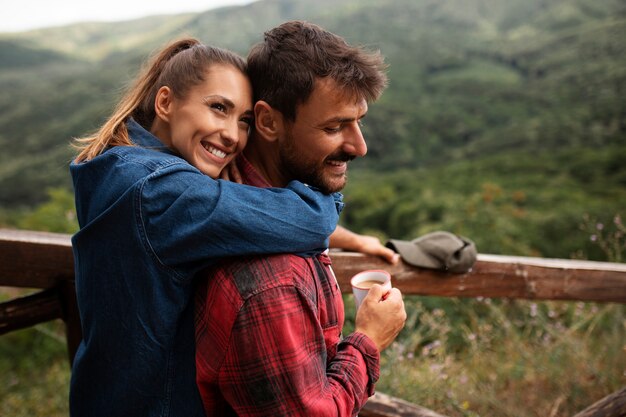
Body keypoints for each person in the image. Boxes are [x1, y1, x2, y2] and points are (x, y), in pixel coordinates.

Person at [69, 38, 345, 417]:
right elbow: (310, 219)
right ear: (165, 103)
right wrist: (328, 195)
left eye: (244, 121)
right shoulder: (161, 193)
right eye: (218, 108)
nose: (233, 135)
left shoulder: (118, 167)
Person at [195, 21, 407, 416]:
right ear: (269, 121)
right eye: (333, 127)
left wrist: (356, 241)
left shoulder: (241, 191)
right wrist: (369, 339)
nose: (359, 146)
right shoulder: (271, 284)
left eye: (358, 121)